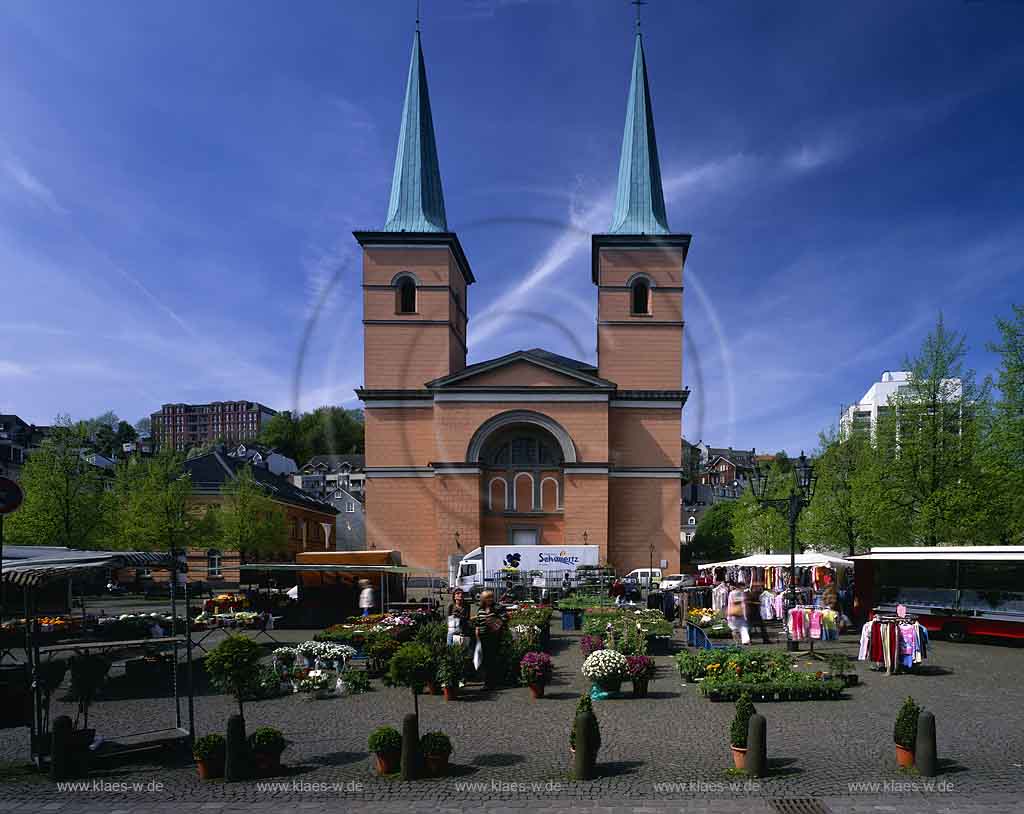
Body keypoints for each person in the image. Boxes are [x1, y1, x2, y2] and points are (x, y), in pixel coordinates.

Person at [473, 590, 508, 689]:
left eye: (491, 597)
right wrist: (477, 630)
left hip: (494, 636)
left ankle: (491, 683)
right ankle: (488, 682)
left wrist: (495, 621)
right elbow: (478, 622)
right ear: (483, 599)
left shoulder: (498, 607)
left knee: (492, 659)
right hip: (483, 637)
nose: (489, 599)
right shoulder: (481, 609)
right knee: (485, 660)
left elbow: (505, 618)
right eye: (487, 597)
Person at [745, 580, 771, 644]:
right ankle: (748, 640)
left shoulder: (756, 594)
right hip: (750, 613)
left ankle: (765, 640)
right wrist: (756, 603)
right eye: (756, 587)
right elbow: (747, 602)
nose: (758, 588)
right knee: (749, 627)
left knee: (762, 627)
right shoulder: (748, 594)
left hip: (756, 613)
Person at [726, 581, 750, 646]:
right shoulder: (742, 594)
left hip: (732, 613)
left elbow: (729, 604)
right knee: (743, 628)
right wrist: (745, 615)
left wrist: (728, 615)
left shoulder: (731, 593)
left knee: (734, 629)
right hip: (740, 613)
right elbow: (744, 605)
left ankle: (737, 642)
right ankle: (745, 641)